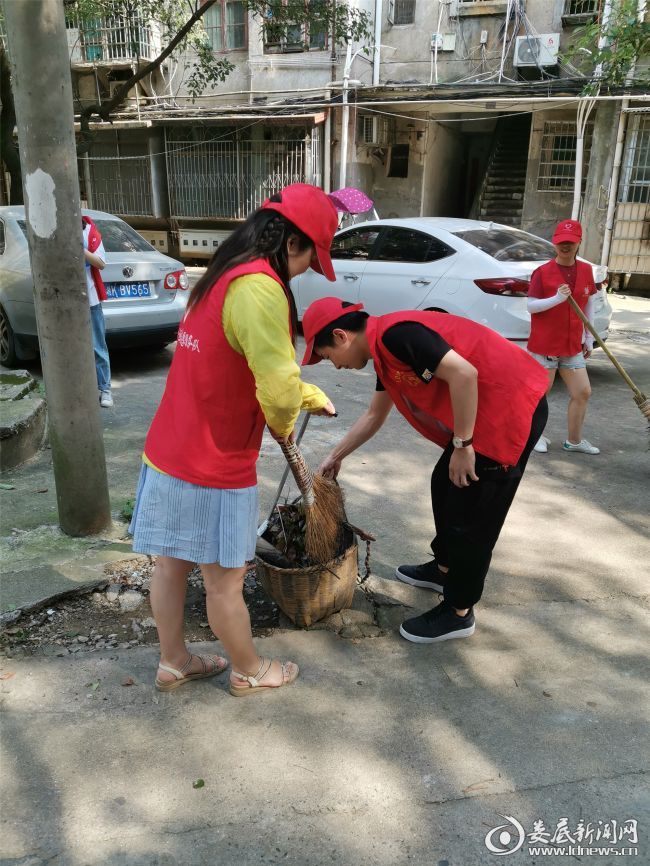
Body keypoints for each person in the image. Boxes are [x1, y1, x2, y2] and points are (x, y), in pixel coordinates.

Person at [129, 184, 338, 693]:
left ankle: (173, 661)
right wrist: (289, 416)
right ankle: (250, 670)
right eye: (313, 256)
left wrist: (302, 393)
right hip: (214, 463)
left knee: (171, 565)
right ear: (292, 243)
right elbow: (276, 388)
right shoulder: (263, 288)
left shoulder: (223, 273)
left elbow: (237, 361)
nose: (309, 268)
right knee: (225, 583)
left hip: (168, 452)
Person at [302, 298, 549, 644]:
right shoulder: (384, 352)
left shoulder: (397, 335)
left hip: (509, 409)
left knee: (473, 515)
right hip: (481, 413)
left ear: (341, 336)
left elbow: (465, 373)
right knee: (443, 484)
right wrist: (336, 456)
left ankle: (459, 611)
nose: (335, 366)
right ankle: (444, 568)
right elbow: (374, 415)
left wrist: (462, 445)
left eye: (328, 357)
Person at [527, 219, 599, 455]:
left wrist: (588, 336)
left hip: (572, 344)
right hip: (545, 344)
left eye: (570, 242)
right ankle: (536, 436)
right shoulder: (542, 272)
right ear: (554, 242)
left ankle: (574, 441)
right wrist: (556, 299)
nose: (565, 246)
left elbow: (587, 303)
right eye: (561, 242)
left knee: (582, 392)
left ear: (579, 242)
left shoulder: (587, 271)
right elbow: (531, 306)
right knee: (541, 394)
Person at [82, 215, 113, 408]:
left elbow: (101, 263)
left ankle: (105, 389)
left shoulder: (89, 232)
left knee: (97, 346)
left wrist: (81, 250)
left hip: (90, 298)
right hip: (65, 300)